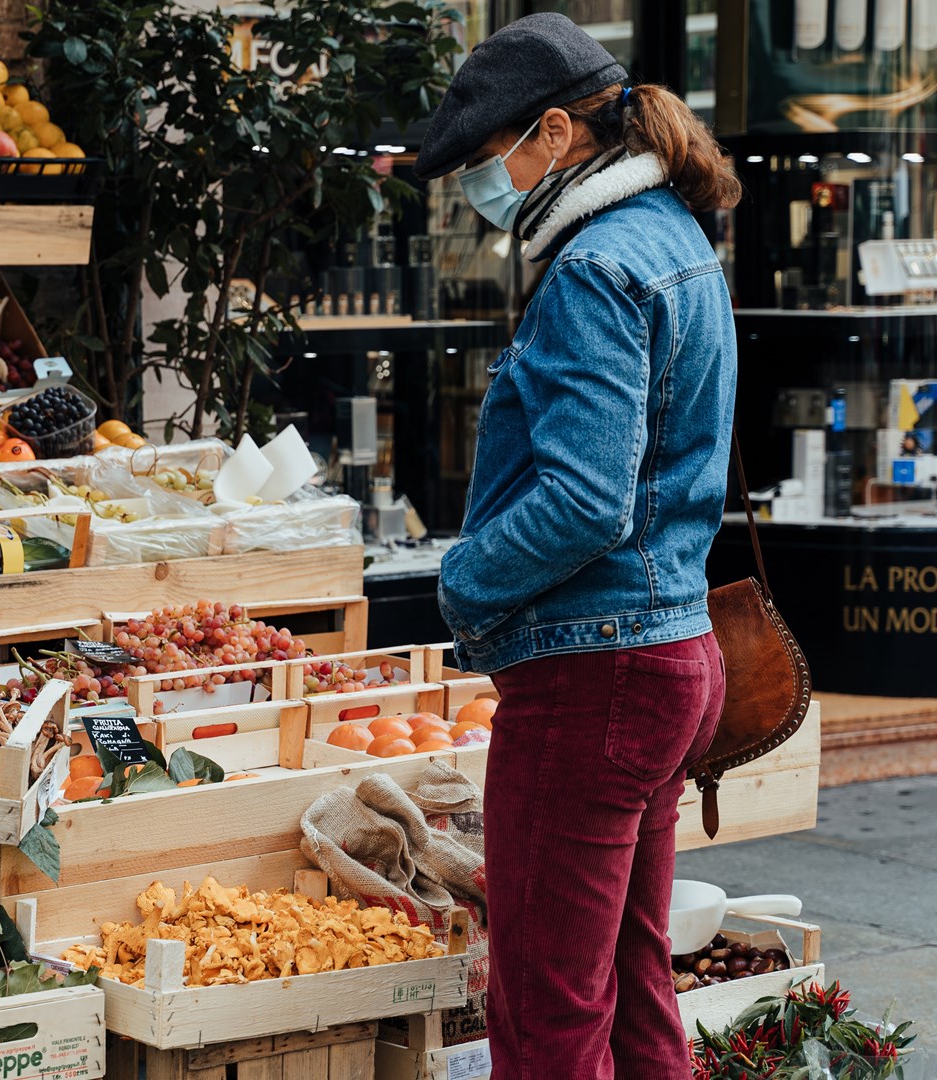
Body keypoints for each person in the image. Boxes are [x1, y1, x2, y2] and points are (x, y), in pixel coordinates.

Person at [414, 12, 742, 1080]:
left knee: (548, 1014)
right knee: (637, 990)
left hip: (593, 672)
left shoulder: (596, 267)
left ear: (555, 132)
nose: (481, 182)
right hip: (668, 652)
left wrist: (461, 581)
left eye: (483, 158)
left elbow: (586, 500)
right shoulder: (677, 241)